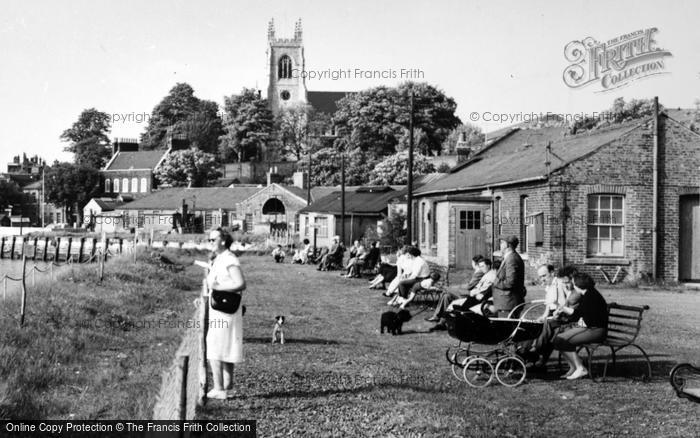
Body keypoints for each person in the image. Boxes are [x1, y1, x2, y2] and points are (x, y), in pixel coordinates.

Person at [206, 228, 246, 399]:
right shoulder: (220, 258)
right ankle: (228, 385)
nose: (210, 242)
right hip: (223, 310)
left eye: (212, 239)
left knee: (215, 347)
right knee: (227, 345)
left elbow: (241, 283)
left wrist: (218, 288)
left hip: (224, 311)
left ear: (223, 240)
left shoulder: (229, 259)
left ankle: (219, 388)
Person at [553, 272, 608, 380]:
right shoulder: (588, 294)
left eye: (573, 283)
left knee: (562, 340)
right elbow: (579, 314)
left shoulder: (591, 297)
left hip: (596, 331)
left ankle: (580, 368)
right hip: (590, 328)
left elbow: (588, 320)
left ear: (579, 285)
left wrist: (575, 326)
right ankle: (573, 367)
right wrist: (563, 309)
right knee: (558, 340)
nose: (573, 286)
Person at [530, 266, 581, 368]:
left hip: (565, 315)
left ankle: (536, 351)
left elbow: (571, 299)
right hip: (556, 313)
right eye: (540, 277)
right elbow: (549, 304)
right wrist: (544, 315)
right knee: (539, 325)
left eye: (544, 276)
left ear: (552, 273)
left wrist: (560, 311)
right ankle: (535, 356)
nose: (542, 279)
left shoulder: (561, 283)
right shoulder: (549, 286)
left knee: (551, 328)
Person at [427, 259, 499, 331]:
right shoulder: (486, 274)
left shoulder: (491, 276)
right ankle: (442, 323)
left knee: (447, 291)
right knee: (446, 295)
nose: (481, 268)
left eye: (483, 266)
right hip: (473, 294)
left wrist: (473, 292)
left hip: (475, 297)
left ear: (489, 266)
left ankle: (441, 320)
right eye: (480, 266)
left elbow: (481, 290)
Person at [491, 235, 527, 317]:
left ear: (507, 245)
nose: (500, 245)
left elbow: (510, 282)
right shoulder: (510, 257)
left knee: (507, 327)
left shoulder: (512, 259)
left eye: (501, 243)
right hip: (505, 302)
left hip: (508, 303)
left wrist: (495, 280)